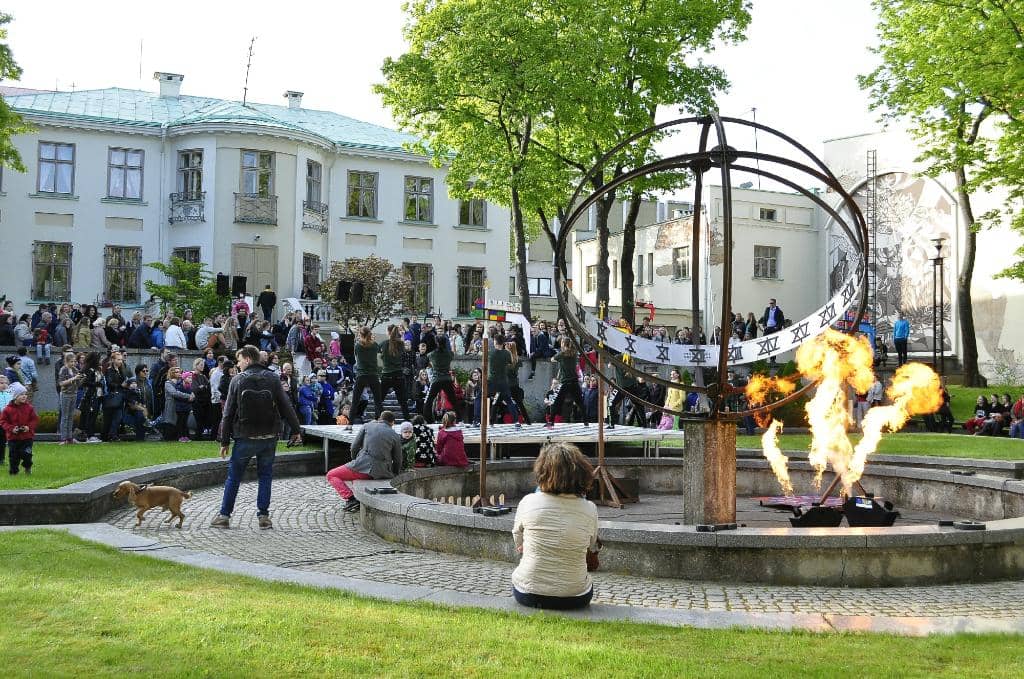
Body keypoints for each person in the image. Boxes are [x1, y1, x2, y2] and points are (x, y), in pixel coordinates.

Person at [213, 345, 303, 529]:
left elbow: (228, 413)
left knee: (234, 477)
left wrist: (224, 441)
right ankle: (263, 516)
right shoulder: (272, 378)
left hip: (245, 435)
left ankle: (224, 516)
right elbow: (287, 407)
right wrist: (296, 430)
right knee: (265, 475)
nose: (237, 365)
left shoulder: (237, 380)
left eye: (239, 360)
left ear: (247, 359)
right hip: (269, 435)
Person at [511, 441, 599, 610]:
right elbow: (590, 543)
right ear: (581, 473)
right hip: (575, 595)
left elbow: (518, 540)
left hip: (528, 592)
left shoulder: (528, 502)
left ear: (541, 471)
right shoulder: (590, 509)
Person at [326, 410, 403, 513]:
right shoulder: (395, 435)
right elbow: (398, 459)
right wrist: (395, 474)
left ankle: (350, 498)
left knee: (331, 475)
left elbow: (354, 447)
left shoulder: (367, 426)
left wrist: (355, 461)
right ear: (392, 422)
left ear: (380, 419)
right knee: (353, 478)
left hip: (363, 468)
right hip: (383, 472)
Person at [546, 338, 586, 428]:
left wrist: (559, 358)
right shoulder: (574, 353)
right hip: (574, 381)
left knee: (556, 402)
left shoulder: (562, 353)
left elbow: (552, 359)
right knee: (580, 402)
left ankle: (551, 422)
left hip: (566, 382)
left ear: (563, 344)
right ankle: (586, 422)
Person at [0, 383, 37, 475]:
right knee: (13, 456)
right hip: (13, 438)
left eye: (25, 394)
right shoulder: (7, 409)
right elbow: (3, 421)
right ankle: (13, 472)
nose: (24, 396)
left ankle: (27, 466)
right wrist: (11, 428)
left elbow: (34, 419)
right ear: (15, 396)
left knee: (27, 454)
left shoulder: (29, 408)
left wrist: (28, 427)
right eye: (21, 394)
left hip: (27, 437)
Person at [422, 336, 459, 424]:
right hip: (447, 378)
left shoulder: (432, 354)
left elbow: (427, 357)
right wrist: (453, 341)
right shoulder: (449, 353)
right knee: (453, 399)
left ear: (436, 343)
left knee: (429, 400)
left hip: (436, 379)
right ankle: (459, 418)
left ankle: (428, 419)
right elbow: (453, 352)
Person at [351, 326, 383, 423]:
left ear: (360, 334)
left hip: (361, 375)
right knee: (378, 401)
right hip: (373, 375)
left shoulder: (357, 345)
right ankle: (380, 421)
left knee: (355, 401)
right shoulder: (375, 345)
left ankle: (350, 423)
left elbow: (356, 357)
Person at [379, 325, 411, 421]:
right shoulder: (401, 344)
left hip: (386, 374)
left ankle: (378, 418)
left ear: (388, 332)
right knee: (403, 401)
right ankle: (408, 420)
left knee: (379, 400)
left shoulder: (383, 343)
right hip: (398, 375)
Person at [56, 350, 82, 445]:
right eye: (71, 361)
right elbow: (61, 383)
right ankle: (63, 439)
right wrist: (73, 379)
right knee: (65, 417)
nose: (73, 363)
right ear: (66, 361)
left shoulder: (75, 370)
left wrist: (82, 378)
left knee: (71, 417)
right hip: (65, 394)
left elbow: (78, 384)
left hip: (74, 394)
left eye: (74, 361)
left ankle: (70, 438)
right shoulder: (63, 369)